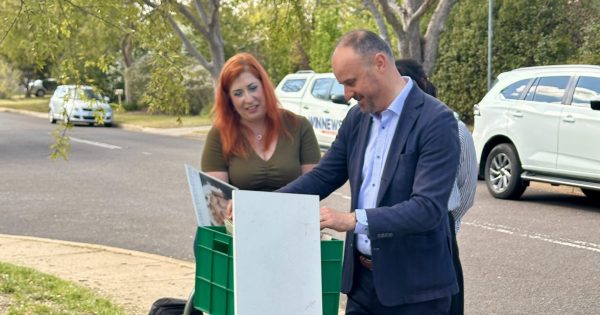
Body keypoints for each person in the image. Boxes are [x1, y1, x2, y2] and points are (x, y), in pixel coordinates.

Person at [278, 30, 460, 314]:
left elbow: (427, 208)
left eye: (351, 83)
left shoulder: (437, 121)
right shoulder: (357, 118)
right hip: (361, 285)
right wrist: (259, 204)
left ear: (380, 63)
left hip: (415, 292)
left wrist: (352, 220)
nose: (346, 95)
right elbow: (323, 176)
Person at [396, 58, 478, 315]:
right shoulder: (382, 126)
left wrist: (446, 226)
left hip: (438, 239)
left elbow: (466, 191)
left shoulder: (453, 127)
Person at [201, 52, 321, 191]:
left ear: (264, 86)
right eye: (238, 93)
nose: (249, 99)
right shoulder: (219, 134)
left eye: (253, 88)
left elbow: (313, 187)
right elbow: (219, 200)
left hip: (293, 211)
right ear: (229, 99)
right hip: (241, 213)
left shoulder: (299, 126)